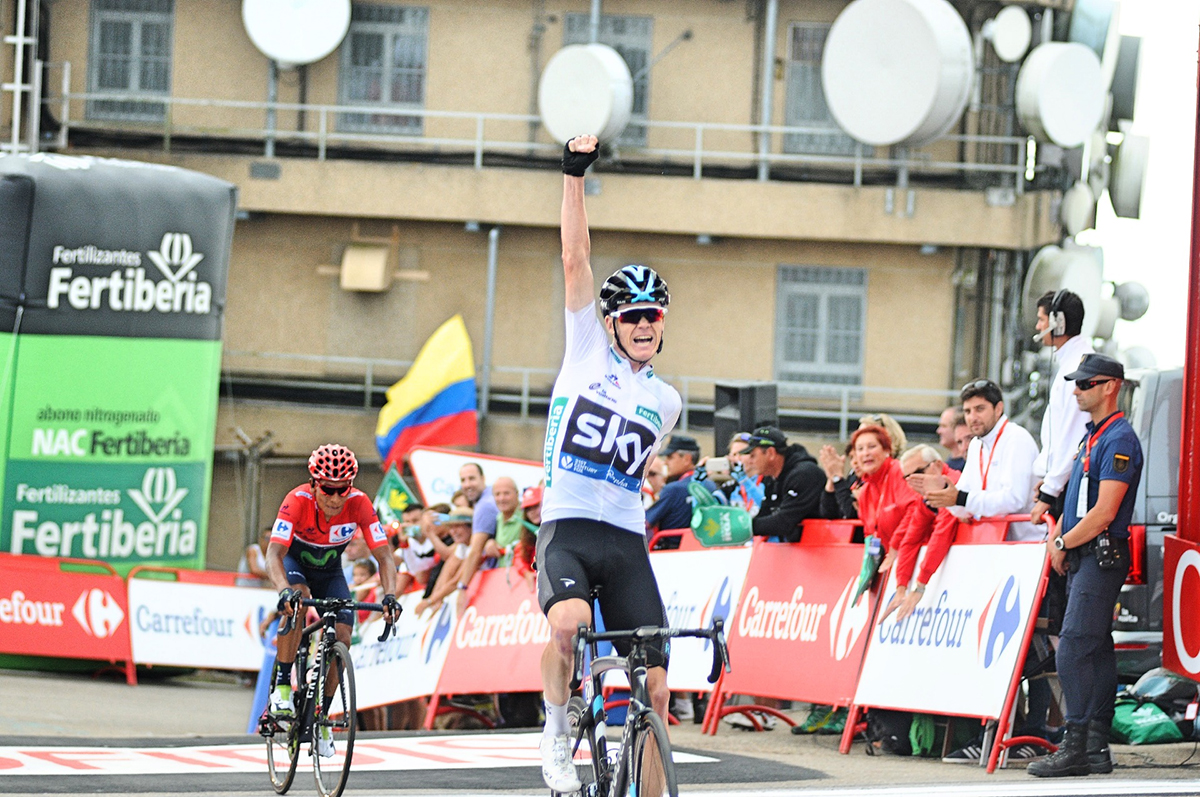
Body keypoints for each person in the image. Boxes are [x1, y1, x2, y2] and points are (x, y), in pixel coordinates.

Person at [535, 134, 682, 793]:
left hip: (624, 539)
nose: (646, 324)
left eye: (654, 315)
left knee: (655, 680)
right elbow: (575, 257)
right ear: (612, 322)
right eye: (634, 315)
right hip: (566, 529)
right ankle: (556, 735)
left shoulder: (666, 400)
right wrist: (574, 174)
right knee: (566, 624)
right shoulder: (585, 349)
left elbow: (641, 471)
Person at [1029, 354, 1143, 779]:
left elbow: (1103, 513)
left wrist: (1061, 541)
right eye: (1075, 384)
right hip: (1085, 555)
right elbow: (1076, 503)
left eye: (1085, 383)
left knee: (1075, 645)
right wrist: (1061, 535)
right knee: (1094, 648)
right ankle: (1094, 746)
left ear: (1110, 386)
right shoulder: (1092, 437)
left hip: (1101, 554)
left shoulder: (1119, 439)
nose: (1076, 390)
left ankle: (1075, 744)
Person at [265, 444, 399, 758]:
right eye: (328, 489)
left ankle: (322, 716)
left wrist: (390, 596)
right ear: (314, 483)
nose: (336, 497)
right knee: (298, 603)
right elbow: (274, 553)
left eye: (343, 489)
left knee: (343, 636)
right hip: (294, 566)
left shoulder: (360, 503)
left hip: (330, 572)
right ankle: (283, 684)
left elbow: (385, 556)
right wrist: (284, 589)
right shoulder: (296, 500)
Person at [918, 379, 1040, 540]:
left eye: (979, 409)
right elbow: (963, 499)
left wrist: (960, 499)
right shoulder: (976, 444)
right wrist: (941, 494)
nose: (972, 417)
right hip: (991, 542)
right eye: (967, 411)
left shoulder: (1017, 438)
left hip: (1026, 544)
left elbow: (1013, 499)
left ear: (998, 408)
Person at [1030, 289, 1093, 525]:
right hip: (1063, 485)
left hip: (1068, 489)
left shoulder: (1078, 367)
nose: (1037, 326)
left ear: (1058, 323)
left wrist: (1049, 492)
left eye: (1041, 319)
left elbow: (1072, 436)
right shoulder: (1071, 361)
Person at [821, 425, 922, 561]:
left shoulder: (899, 471)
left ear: (886, 449)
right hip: (887, 559)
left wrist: (894, 548)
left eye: (872, 447)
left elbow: (915, 511)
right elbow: (869, 533)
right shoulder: (866, 490)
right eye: (860, 449)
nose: (866, 453)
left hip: (913, 554)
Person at [739, 425, 825, 542]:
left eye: (753, 455)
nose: (749, 460)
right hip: (801, 550)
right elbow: (765, 514)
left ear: (770, 453)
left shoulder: (804, 474)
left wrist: (742, 527)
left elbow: (784, 522)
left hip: (824, 548)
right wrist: (737, 522)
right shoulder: (771, 478)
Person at [646, 435, 717, 536]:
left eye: (670, 457)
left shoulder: (672, 490)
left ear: (687, 459)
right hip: (705, 547)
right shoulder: (711, 486)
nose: (665, 462)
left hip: (671, 549)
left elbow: (646, 523)